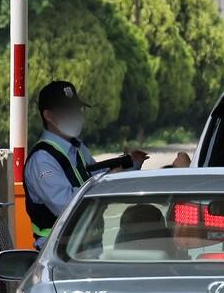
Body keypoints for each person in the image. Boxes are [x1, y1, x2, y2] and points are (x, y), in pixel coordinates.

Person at [24, 79, 188, 246]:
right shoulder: (42, 160)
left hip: (86, 247)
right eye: (68, 111)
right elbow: (67, 205)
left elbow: (97, 174)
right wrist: (108, 178)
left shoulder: (77, 148)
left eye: (78, 110)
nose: (77, 115)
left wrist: (130, 164)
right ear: (49, 116)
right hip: (57, 250)